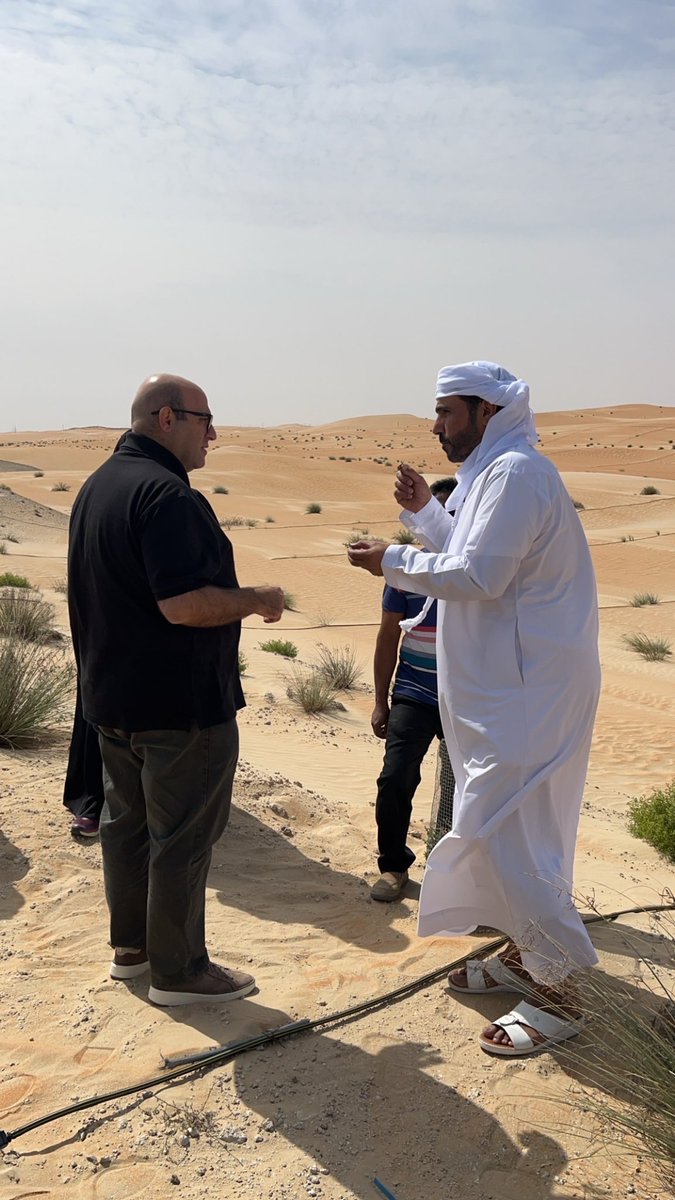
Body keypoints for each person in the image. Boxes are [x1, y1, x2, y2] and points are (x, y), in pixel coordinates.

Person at [349, 361, 601, 1056]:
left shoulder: (517, 474)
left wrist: (391, 559)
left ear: (486, 411)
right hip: (506, 691)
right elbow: (467, 548)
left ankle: (559, 992)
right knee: (512, 827)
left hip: (528, 691)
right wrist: (423, 517)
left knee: (506, 829)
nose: (435, 427)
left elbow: (480, 575)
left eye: (446, 413)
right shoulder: (495, 473)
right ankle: (525, 954)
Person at [68, 374, 285, 1006]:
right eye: (204, 419)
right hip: (179, 710)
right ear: (168, 418)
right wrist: (259, 600)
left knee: (127, 827)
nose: (213, 433)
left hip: (111, 701)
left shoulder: (99, 485)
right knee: (183, 839)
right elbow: (184, 604)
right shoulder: (167, 496)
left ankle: (132, 952)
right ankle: (181, 971)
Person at [370, 477, 457, 901]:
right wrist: (379, 701)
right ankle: (393, 867)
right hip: (415, 692)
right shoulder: (406, 571)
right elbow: (388, 636)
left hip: (467, 696)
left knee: (468, 789)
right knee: (395, 778)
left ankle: (459, 877)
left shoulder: (482, 572)